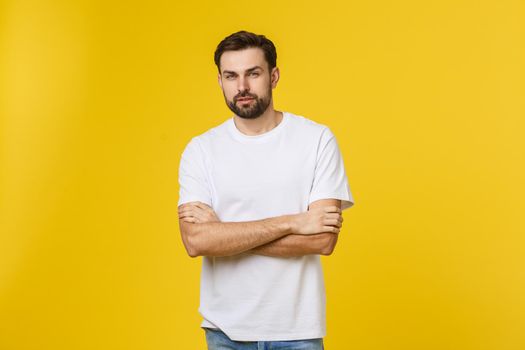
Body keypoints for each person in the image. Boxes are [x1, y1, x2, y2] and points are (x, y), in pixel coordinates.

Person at [177, 30, 355, 350]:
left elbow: (322, 240)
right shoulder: (201, 150)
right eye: (231, 76)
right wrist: (292, 222)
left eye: (252, 73)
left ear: (273, 76)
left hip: (297, 332)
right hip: (225, 331)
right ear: (220, 81)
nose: (242, 86)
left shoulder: (316, 140)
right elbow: (196, 241)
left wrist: (223, 235)